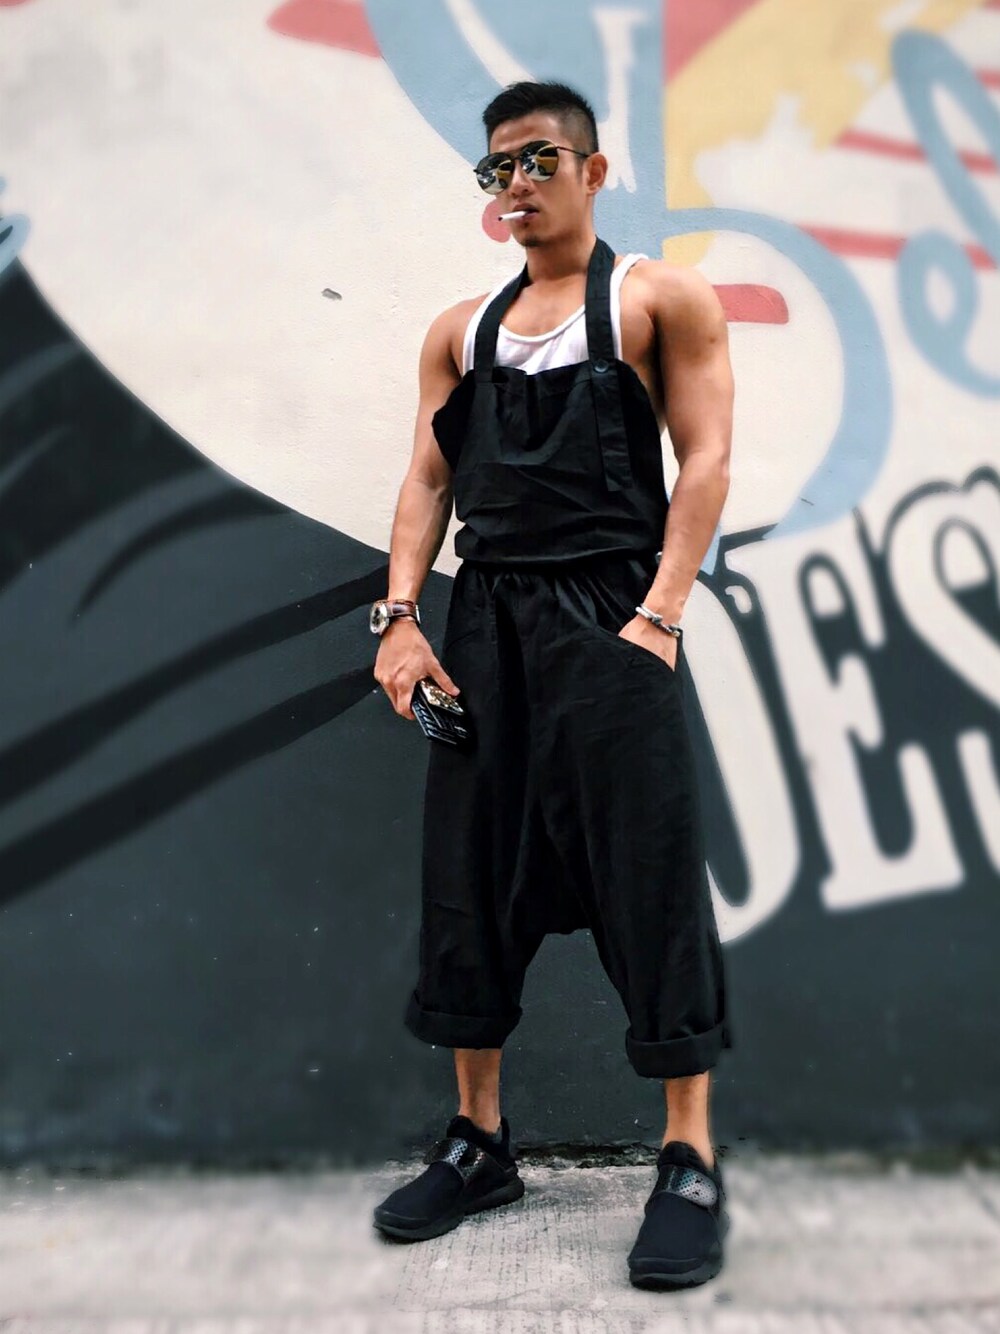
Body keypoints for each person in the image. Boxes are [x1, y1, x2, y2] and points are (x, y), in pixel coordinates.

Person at [369, 80, 736, 1290]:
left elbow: (706, 457)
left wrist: (658, 614)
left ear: (591, 169)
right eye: (497, 169)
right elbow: (428, 482)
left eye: (536, 160)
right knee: (470, 876)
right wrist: (401, 619)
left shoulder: (658, 300)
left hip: (614, 614)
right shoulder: (458, 331)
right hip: (485, 623)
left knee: (647, 874)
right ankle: (479, 1142)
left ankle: (687, 1157)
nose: (515, 184)